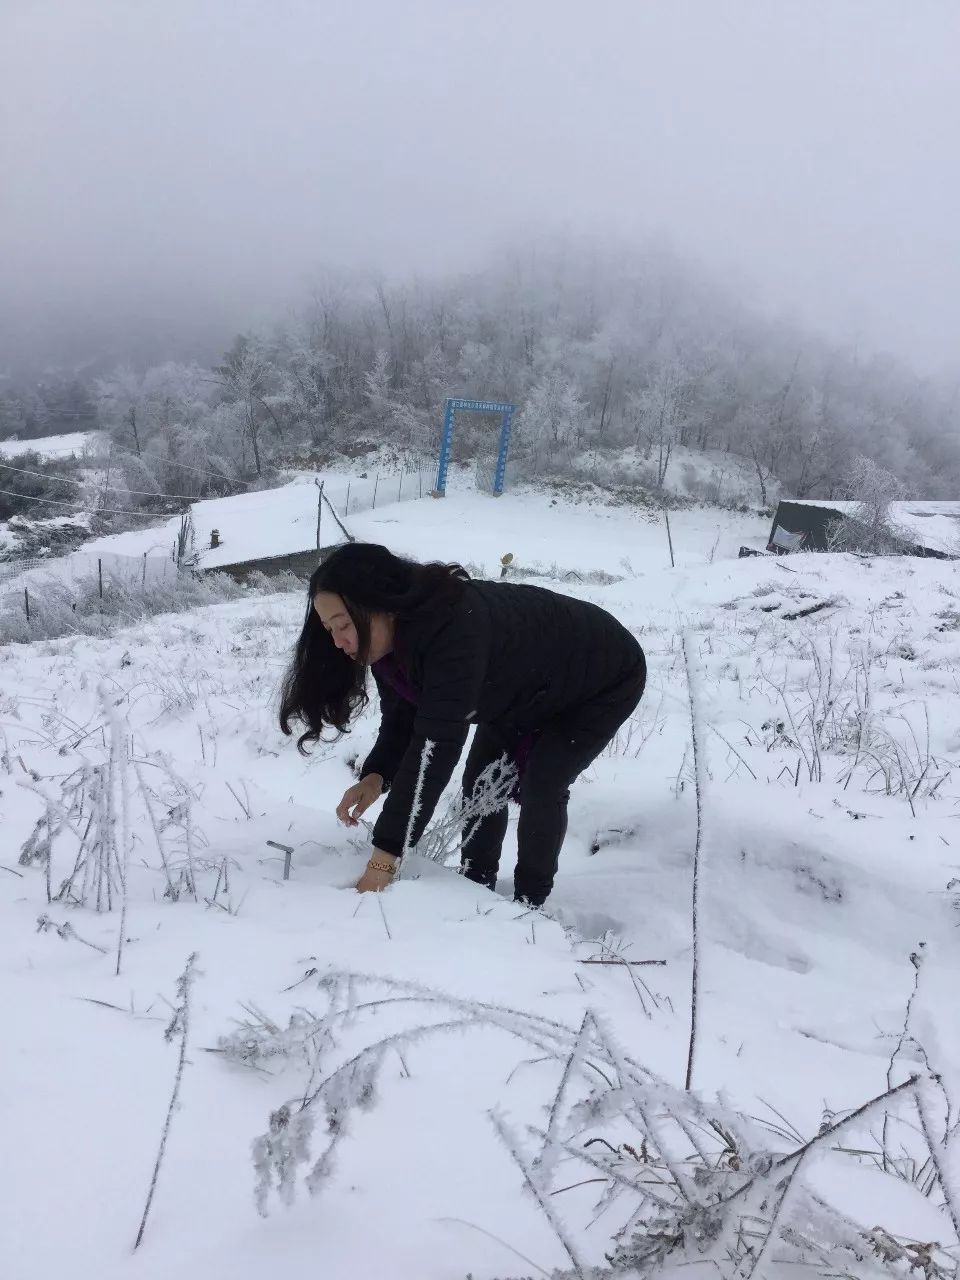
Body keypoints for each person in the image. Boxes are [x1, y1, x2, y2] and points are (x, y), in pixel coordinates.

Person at [279, 543, 645, 907]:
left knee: (543, 781)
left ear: (383, 604)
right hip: (523, 684)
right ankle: (476, 885)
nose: (338, 641)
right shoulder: (391, 647)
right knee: (481, 784)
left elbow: (434, 748)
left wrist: (383, 861)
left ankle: (529, 905)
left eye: (343, 624)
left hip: (600, 676)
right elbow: (403, 721)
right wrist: (375, 776)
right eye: (328, 629)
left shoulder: (454, 631)